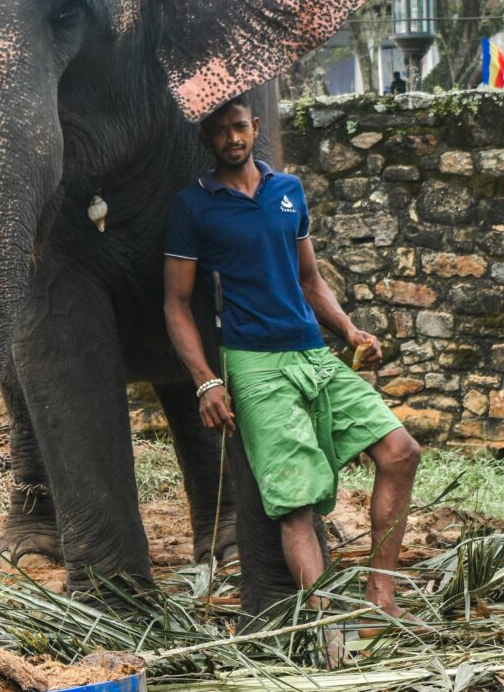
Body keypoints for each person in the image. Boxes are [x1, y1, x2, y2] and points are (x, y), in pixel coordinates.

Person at [163, 93, 421, 630]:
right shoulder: (194, 205)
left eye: (240, 128)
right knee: (295, 503)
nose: (233, 139)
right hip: (254, 366)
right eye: (221, 132)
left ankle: (380, 598)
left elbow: (309, 279)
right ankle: (324, 629)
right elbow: (177, 303)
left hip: (312, 352)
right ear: (206, 140)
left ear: (255, 127)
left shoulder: (288, 190)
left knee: (400, 451)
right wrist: (205, 381)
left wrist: (349, 329)